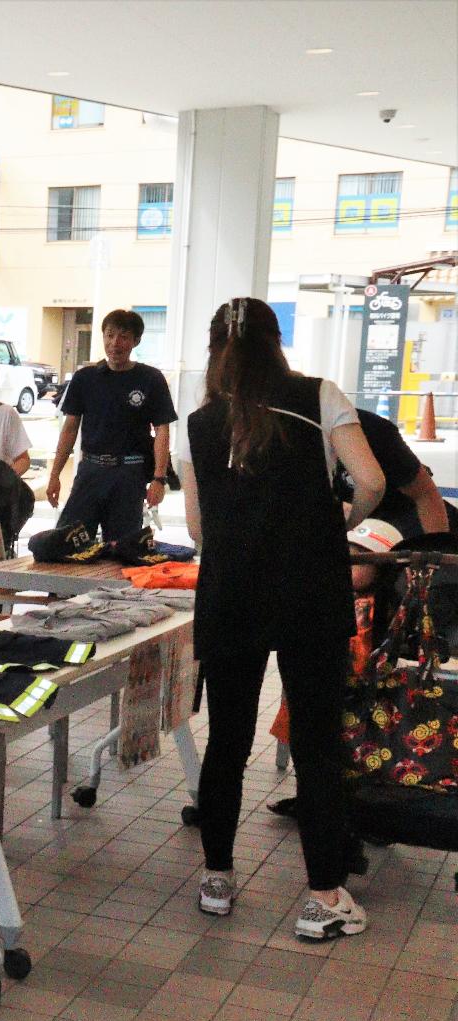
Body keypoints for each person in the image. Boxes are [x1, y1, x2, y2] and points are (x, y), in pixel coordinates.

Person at [175, 296, 383, 941]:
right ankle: (322, 898)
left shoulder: (202, 421)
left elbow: (197, 527)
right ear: (276, 342)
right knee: (318, 741)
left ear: (217, 349)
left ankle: (216, 878)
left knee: (228, 740)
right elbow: (371, 482)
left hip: (231, 591)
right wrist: (335, 521)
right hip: (309, 592)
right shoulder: (320, 396)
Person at [45, 310, 177, 551]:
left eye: (124, 337)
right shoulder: (86, 378)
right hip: (91, 472)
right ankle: (63, 590)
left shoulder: (150, 379)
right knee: (65, 545)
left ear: (136, 341)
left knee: (123, 550)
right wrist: (54, 475)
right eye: (110, 335)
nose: (115, 343)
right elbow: (69, 429)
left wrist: (159, 479)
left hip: (130, 473)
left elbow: (162, 431)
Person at [348, 408, 450, 538]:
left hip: (399, 524)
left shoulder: (375, 431)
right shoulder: (316, 431)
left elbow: (425, 494)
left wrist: (435, 548)